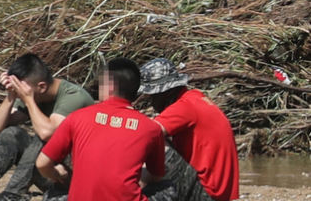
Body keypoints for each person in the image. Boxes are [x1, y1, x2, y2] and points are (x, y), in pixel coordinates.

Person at [0, 53, 94, 201]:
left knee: (41, 140)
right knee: (11, 134)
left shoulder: (73, 96)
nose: (21, 94)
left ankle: (13, 194)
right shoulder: (33, 93)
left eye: (21, 89)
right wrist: (11, 95)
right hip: (51, 171)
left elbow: (47, 134)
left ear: (41, 87)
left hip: (76, 176)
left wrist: (28, 99)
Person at [36, 58, 172, 201]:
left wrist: (59, 176)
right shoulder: (151, 128)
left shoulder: (77, 117)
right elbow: (156, 175)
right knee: (167, 187)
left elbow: (42, 164)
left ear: (110, 86)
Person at [138, 58, 239, 201]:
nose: (152, 102)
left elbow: (142, 134)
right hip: (219, 192)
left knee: (155, 141)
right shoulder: (195, 98)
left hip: (207, 193)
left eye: (153, 96)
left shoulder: (184, 107)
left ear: (165, 92)